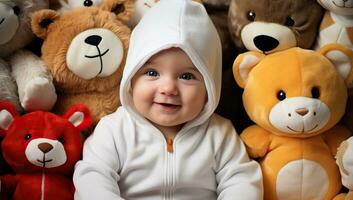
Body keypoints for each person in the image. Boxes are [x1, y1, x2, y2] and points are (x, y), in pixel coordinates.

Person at [73, 0, 263, 199]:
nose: (168, 88)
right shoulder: (114, 130)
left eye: (187, 76)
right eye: (152, 72)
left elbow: (241, 181)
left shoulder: (219, 133)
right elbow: (92, 177)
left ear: (209, 86)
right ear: (131, 78)